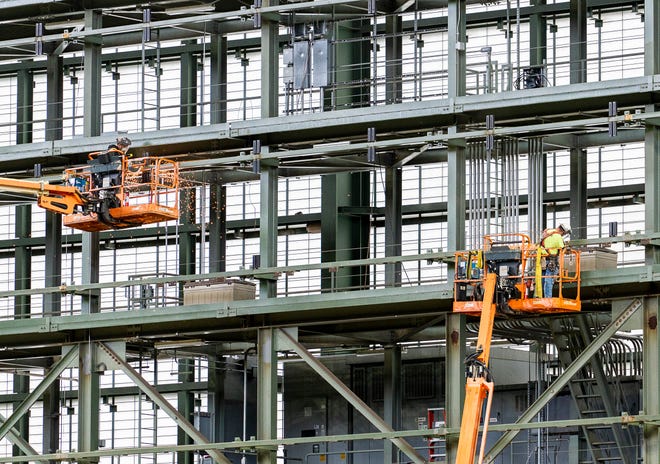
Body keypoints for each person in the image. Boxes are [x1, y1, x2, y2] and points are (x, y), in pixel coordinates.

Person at [541, 223, 570, 298]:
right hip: (552, 259)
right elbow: (562, 248)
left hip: (544, 258)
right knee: (549, 278)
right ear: (563, 231)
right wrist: (567, 248)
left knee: (546, 278)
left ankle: (546, 296)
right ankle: (548, 297)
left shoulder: (548, 232)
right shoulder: (557, 236)